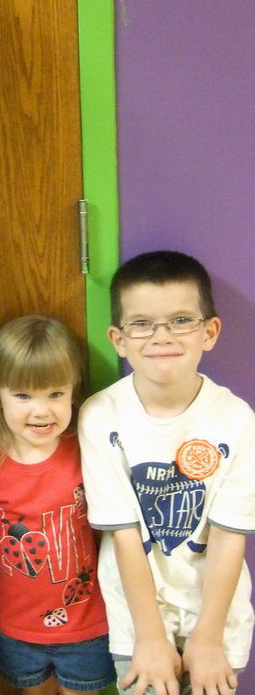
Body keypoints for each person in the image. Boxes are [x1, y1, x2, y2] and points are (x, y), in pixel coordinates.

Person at [78, 250, 255, 695]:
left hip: (217, 619)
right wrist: (150, 638)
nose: (162, 337)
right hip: (136, 621)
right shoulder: (100, 416)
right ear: (118, 339)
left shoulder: (237, 419)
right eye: (142, 323)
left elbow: (230, 535)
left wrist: (209, 639)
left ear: (209, 331)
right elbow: (123, 534)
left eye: (181, 320)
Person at [0, 315, 116, 695]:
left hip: (88, 622)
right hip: (17, 625)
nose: (41, 411)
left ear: (73, 391)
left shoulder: (85, 446)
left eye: (55, 394)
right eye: (23, 395)